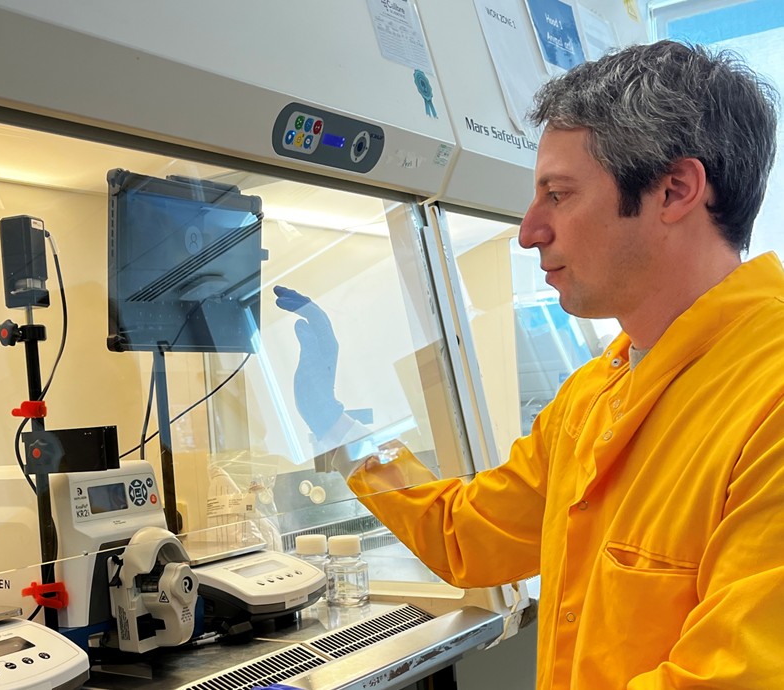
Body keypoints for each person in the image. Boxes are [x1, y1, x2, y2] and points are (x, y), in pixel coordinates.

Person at [278, 40, 782, 689]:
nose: (527, 230)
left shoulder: (767, 399)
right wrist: (335, 425)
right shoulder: (595, 395)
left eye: (558, 194)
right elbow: (466, 535)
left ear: (674, 189)